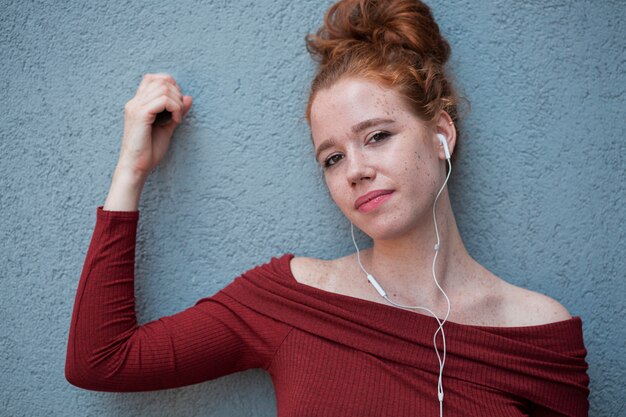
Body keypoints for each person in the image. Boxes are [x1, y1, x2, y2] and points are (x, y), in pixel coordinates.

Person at [65, 0, 590, 415]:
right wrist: (130, 172)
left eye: (378, 136)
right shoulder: (291, 301)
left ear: (441, 136)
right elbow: (102, 362)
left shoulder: (538, 332)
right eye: (332, 157)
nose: (355, 170)